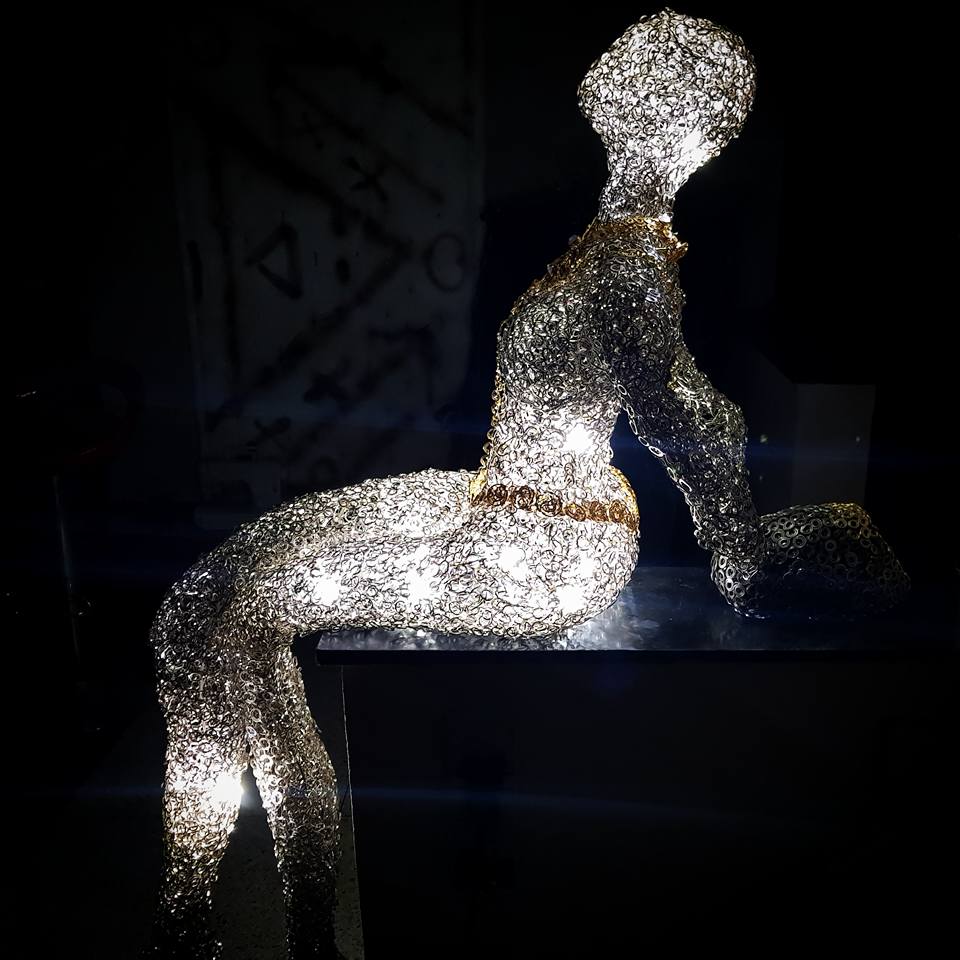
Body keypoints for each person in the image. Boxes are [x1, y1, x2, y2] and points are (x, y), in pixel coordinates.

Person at [148, 10, 907, 957]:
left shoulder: (631, 263)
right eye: (633, 69)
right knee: (200, 601)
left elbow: (686, 414)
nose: (621, 79)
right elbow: (674, 406)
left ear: (696, 135)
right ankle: (219, 923)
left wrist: (739, 546)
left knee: (231, 618)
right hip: (496, 498)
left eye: (658, 83)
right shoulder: (610, 245)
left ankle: (263, 931)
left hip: (548, 543)